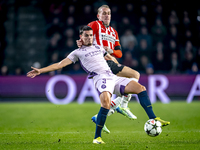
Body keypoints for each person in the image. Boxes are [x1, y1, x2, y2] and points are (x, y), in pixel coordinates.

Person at [27, 26, 170, 144]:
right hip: (100, 78)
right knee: (106, 104)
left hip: (112, 76)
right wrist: (40, 70)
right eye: (86, 36)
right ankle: (97, 137)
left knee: (140, 88)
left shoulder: (98, 47)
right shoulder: (77, 52)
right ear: (81, 38)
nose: (89, 37)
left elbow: (110, 59)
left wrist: (115, 62)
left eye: (90, 35)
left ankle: (153, 118)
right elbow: (59, 64)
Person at [76, 5, 140, 133]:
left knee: (129, 80)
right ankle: (122, 105)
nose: (107, 15)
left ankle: (103, 115)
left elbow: (120, 53)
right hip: (101, 63)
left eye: (109, 13)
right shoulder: (95, 25)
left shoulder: (113, 32)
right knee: (134, 76)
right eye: (104, 13)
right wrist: (80, 42)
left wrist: (112, 51)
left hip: (112, 61)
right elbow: (84, 34)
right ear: (98, 16)